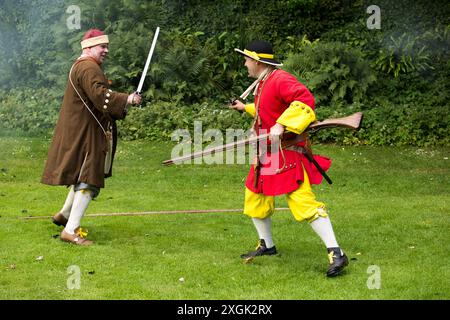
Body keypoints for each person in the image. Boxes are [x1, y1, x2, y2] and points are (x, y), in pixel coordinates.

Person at [229, 40, 348, 277]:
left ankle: (336, 252)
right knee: (255, 197)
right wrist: (246, 108)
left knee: (303, 203)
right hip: (267, 154)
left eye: (246, 59)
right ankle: (267, 245)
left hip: (287, 153)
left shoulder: (280, 79)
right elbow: (268, 108)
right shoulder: (264, 82)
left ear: (256, 61)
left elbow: (305, 102)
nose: (244, 64)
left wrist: (282, 125)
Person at [41, 29, 142, 246]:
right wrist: (128, 99)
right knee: (90, 178)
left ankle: (65, 214)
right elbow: (100, 97)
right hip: (87, 131)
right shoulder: (88, 67)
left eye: (107, 46)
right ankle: (70, 230)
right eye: (101, 46)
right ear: (88, 47)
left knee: (83, 174)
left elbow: (97, 98)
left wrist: (123, 102)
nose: (106, 50)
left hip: (83, 128)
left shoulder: (82, 65)